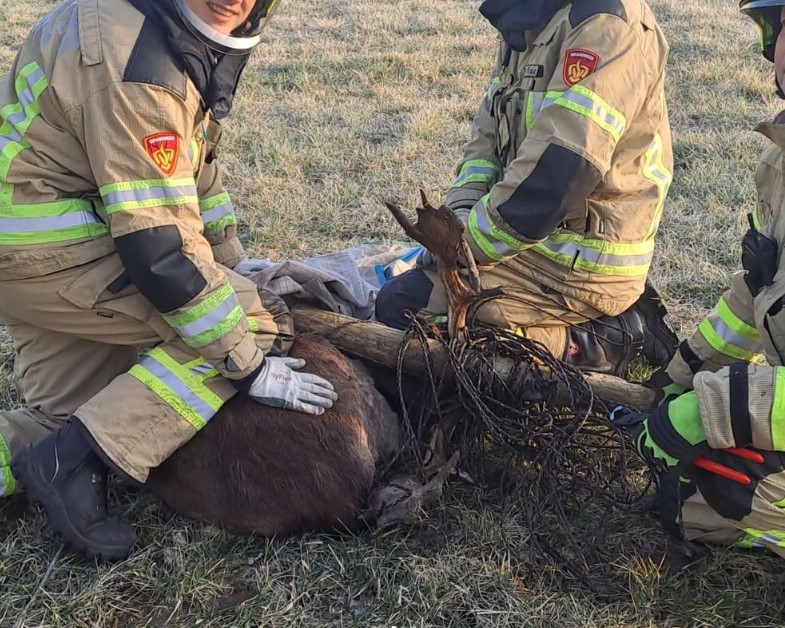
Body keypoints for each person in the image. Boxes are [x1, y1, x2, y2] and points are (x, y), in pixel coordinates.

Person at [0, 0, 338, 562]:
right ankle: (72, 462)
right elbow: (160, 253)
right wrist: (250, 366)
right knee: (250, 322)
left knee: (63, 418)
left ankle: (59, 446)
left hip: (28, 244)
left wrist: (233, 263)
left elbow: (192, 167)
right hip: (54, 253)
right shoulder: (140, 67)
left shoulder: (146, 21)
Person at [375, 0, 679, 377]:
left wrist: (465, 250)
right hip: (529, 242)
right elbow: (486, 141)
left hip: (580, 264)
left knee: (406, 311)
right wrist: (455, 223)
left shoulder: (606, 24)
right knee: (407, 305)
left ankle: (607, 339)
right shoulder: (528, 18)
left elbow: (559, 175)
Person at [611, 0, 785, 558]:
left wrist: (706, 410)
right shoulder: (780, 164)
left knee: (736, 489)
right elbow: (754, 296)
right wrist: (683, 374)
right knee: (699, 489)